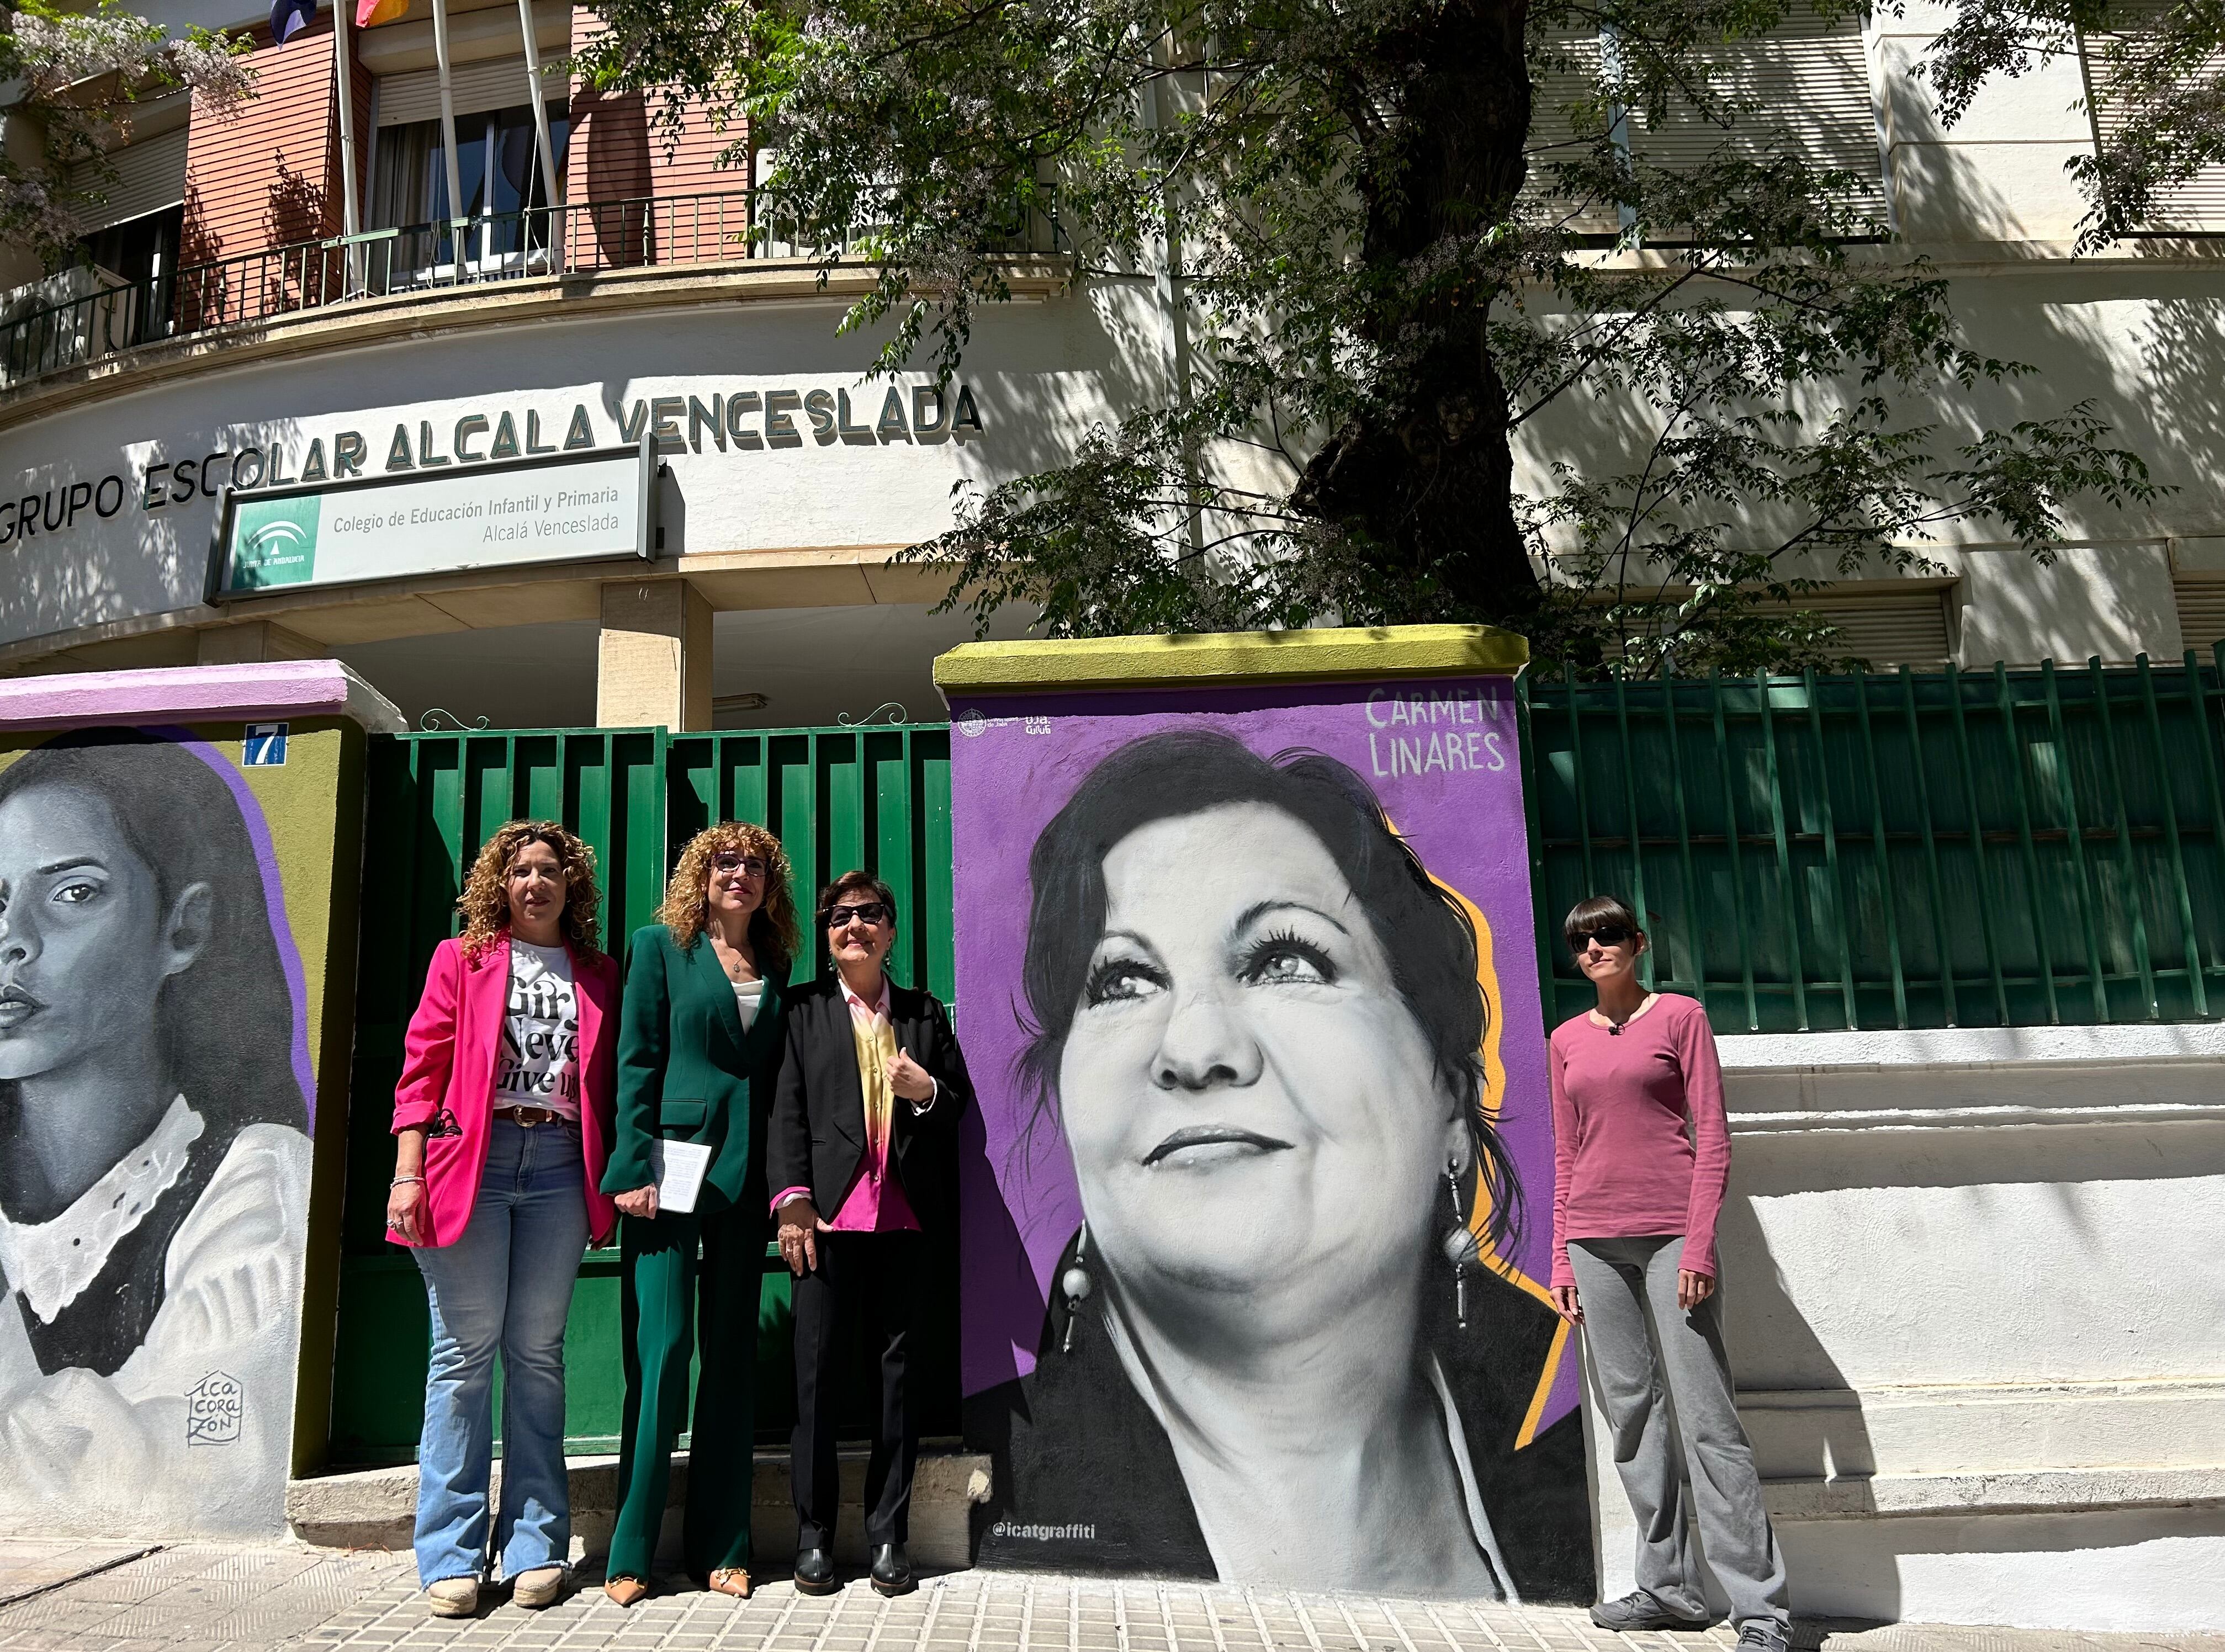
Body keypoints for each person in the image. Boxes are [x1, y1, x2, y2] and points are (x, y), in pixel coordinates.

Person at [968, 730, 1589, 1601]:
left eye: (1283, 959)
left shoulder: (1568, 1441)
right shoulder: (1011, 1459)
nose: (1194, 1048)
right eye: (1122, 980)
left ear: (1449, 1093)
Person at [0, 731, 314, 1534]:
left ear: (184, 928)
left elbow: (204, 1466)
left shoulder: (253, 1184)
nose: (13, 940)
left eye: (72, 892)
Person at [388, 820, 621, 1618]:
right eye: (520, 870)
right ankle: (450, 1550)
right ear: (500, 883)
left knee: (536, 1355)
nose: (535, 882)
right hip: (472, 1170)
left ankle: (534, 1542)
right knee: (461, 1355)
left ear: (570, 884)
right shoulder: (463, 959)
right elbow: (421, 1067)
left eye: (549, 870)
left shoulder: (597, 973)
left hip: (558, 1167)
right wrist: (407, 1168)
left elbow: (614, 1084)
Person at [1547, 895, 1791, 1651]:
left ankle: (1761, 1610)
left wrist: (1697, 1244)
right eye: (1581, 940)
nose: (1595, 948)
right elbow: (1565, 1154)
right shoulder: (1563, 1040)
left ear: (1638, 941)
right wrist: (1560, 1252)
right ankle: (1668, 1587)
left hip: (1666, 1240)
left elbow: (1710, 1136)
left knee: (1707, 1419)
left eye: (1609, 934)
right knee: (1632, 1417)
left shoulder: (1679, 1017)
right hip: (1593, 1240)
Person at [598, 823, 798, 1606]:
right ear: (700, 874)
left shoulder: (777, 963)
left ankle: (724, 1545)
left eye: (754, 864)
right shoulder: (658, 947)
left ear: (768, 882)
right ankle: (630, 1551)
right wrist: (632, 1165)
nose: (739, 873)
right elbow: (636, 1055)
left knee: (729, 1362)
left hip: (748, 1181)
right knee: (663, 1351)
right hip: (667, 1172)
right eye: (725, 861)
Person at [769, 871, 972, 1598]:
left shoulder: (922, 1015)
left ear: (889, 930)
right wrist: (791, 1202)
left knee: (898, 1385)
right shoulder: (803, 1012)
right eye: (839, 916)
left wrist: (927, 1092)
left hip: (905, 1222)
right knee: (816, 1384)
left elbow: (957, 1110)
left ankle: (889, 1534)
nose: (854, 925)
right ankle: (814, 1536)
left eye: (868, 914)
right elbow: (783, 1111)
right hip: (823, 1223)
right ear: (826, 937)